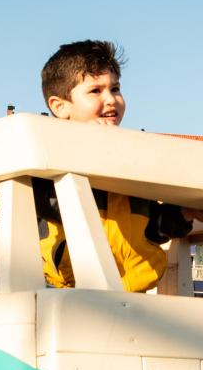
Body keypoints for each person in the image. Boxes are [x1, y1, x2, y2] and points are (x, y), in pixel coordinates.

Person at [35, 40, 193, 293]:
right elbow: (41, 209)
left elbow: (150, 230)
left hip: (129, 290)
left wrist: (185, 212)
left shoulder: (131, 161)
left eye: (115, 88)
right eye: (95, 91)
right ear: (60, 106)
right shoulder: (47, 157)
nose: (111, 99)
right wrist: (81, 146)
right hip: (66, 289)